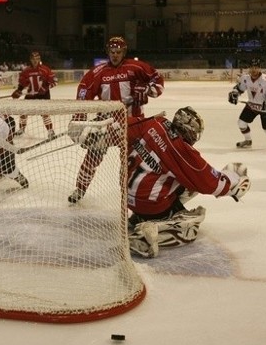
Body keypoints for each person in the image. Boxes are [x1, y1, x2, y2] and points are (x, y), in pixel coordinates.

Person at [70, 106, 251, 258]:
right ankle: (148, 234)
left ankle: (139, 218)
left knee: (181, 181)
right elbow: (209, 182)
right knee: (190, 229)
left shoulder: (153, 123)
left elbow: (121, 129)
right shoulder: (181, 150)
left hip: (128, 198)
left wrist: (97, 133)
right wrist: (234, 185)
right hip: (151, 205)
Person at [67, 36, 165, 204]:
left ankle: (125, 193)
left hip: (133, 124)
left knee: (129, 162)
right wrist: (80, 117)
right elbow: (84, 90)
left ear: (124, 52)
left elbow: (157, 79)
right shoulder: (98, 72)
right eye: (112, 52)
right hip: (108, 124)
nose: (115, 55)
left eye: (118, 52)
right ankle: (80, 188)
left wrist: (147, 89)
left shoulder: (136, 67)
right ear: (107, 52)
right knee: (93, 156)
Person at [228, 58, 266, 149]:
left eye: (256, 67)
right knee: (241, 123)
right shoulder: (245, 78)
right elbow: (239, 89)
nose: (254, 70)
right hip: (252, 106)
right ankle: (248, 141)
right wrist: (234, 94)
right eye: (252, 67)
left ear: (260, 68)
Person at [11, 51, 58, 139]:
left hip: (44, 95)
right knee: (24, 112)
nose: (35, 61)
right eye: (33, 59)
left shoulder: (45, 69)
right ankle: (21, 129)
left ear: (40, 59)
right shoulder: (26, 71)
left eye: (37, 59)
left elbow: (54, 82)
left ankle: (50, 131)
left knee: (44, 113)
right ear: (30, 60)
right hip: (31, 95)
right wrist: (19, 90)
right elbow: (22, 83)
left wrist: (44, 89)